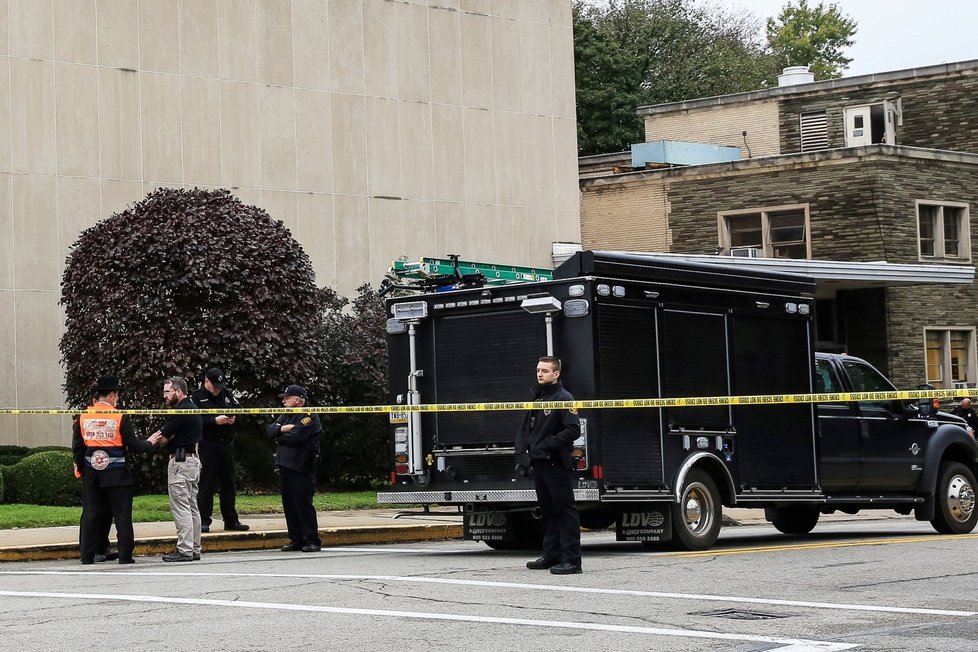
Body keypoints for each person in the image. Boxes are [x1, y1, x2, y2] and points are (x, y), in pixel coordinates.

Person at [72, 375, 155, 565]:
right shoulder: (120, 417)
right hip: (117, 475)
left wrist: (83, 469)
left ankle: (86, 556)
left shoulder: (83, 416)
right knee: (122, 516)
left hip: (93, 475)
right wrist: (150, 443)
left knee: (90, 514)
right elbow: (134, 445)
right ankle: (125, 556)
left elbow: (78, 448)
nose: (117, 399)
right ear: (111, 394)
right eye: (117, 395)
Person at [515, 356, 583, 575]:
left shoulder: (564, 398)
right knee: (548, 511)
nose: (540, 374)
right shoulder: (538, 397)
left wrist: (547, 445)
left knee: (565, 512)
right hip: (540, 462)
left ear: (556, 374)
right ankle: (552, 555)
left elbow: (573, 430)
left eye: (545, 370)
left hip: (555, 462)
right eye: (538, 370)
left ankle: (572, 561)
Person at [149, 377, 204, 562]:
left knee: (181, 507)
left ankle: (185, 549)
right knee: (192, 506)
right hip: (192, 461)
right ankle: (195, 548)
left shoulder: (180, 411)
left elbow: (163, 437)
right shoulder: (193, 408)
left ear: (178, 392)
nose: (164, 396)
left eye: (167, 392)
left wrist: (153, 440)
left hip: (180, 462)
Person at [266, 384, 323, 552]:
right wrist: (281, 430)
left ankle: (311, 539)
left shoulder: (309, 415)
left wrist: (280, 435)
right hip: (285, 464)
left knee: (303, 503)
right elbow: (270, 430)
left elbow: (296, 437)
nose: (284, 401)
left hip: (301, 465)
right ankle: (296, 538)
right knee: (289, 504)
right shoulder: (286, 415)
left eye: (287, 398)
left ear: (298, 400)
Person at [192, 367, 248, 533]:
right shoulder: (197, 397)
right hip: (208, 445)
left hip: (226, 444)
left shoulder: (227, 394)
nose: (217, 389)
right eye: (214, 385)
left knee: (228, 483)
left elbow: (240, 412)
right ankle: (203, 520)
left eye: (220, 385)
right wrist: (214, 421)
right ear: (206, 381)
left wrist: (234, 419)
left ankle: (231, 520)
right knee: (207, 483)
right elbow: (194, 422)